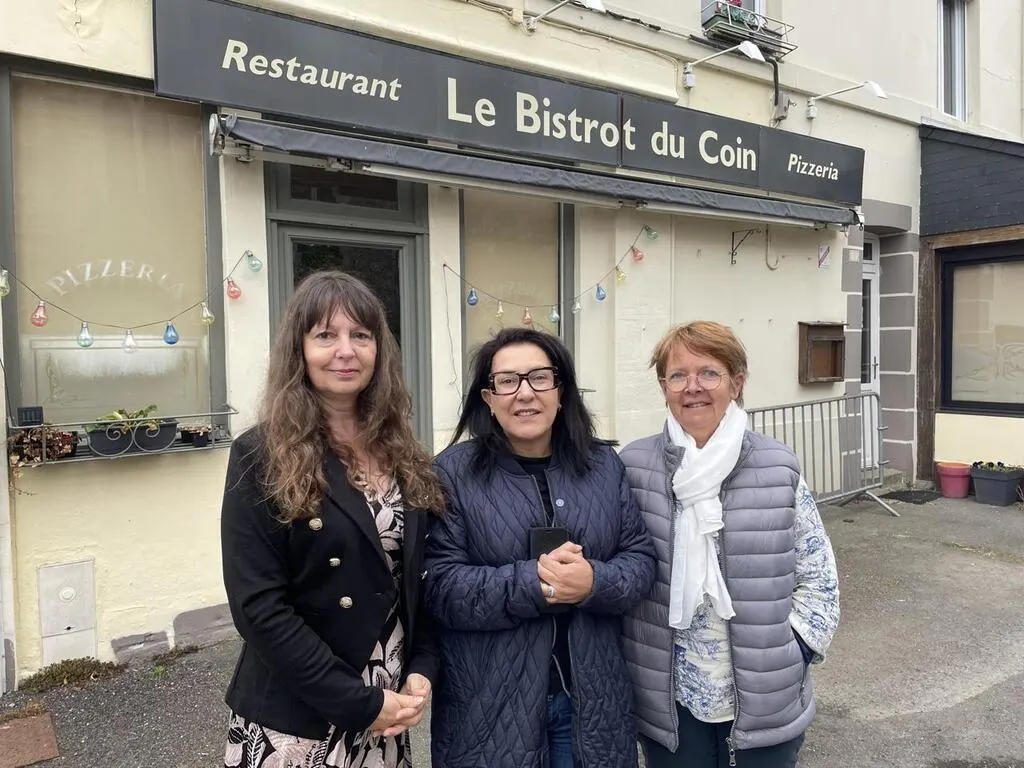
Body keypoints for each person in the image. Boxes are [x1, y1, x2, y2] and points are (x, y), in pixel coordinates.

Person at [219, 271, 445, 768]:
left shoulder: (403, 452)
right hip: (300, 715)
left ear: (379, 350)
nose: (346, 350)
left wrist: (422, 665)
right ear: (299, 351)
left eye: (360, 335)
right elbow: (258, 607)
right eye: (325, 335)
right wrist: (356, 703)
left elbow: (416, 576)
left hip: (387, 706)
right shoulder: (260, 454)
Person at [423, 327, 657, 768]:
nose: (525, 393)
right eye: (508, 381)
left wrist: (594, 581)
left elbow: (640, 559)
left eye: (540, 378)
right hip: (490, 711)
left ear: (561, 391)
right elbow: (439, 586)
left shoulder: (603, 466)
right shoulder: (452, 474)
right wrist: (533, 583)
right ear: (488, 398)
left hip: (591, 705)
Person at [619, 321, 840, 768]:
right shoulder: (633, 467)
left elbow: (819, 577)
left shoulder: (777, 467)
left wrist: (794, 651)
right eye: (677, 375)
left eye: (709, 372)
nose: (692, 387)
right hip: (669, 701)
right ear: (663, 388)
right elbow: (619, 569)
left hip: (765, 695)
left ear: (736, 383)